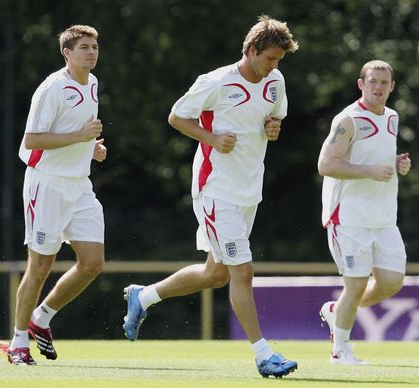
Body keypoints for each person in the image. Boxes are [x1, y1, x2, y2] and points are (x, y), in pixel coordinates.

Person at [123, 15, 298, 378]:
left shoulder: (275, 81)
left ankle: (145, 296)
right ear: (251, 50)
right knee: (243, 270)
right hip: (216, 190)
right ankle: (264, 355)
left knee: (216, 273)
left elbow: (273, 121)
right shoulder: (216, 82)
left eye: (279, 60)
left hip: (250, 190)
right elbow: (176, 117)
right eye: (270, 58)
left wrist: (272, 128)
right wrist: (212, 138)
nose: (274, 66)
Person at [7, 25, 106, 366]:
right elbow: (33, 140)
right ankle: (18, 343)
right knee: (40, 266)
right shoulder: (53, 87)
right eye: (83, 47)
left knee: (93, 263)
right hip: (46, 183)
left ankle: (42, 318)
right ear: (67, 52)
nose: (91, 52)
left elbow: (73, 135)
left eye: (94, 46)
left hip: (79, 185)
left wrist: (89, 148)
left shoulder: (91, 83)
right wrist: (80, 136)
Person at [317, 60, 412, 365]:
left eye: (384, 83)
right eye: (373, 81)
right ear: (361, 84)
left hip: (383, 217)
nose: (378, 87)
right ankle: (340, 350)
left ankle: (336, 311)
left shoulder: (392, 117)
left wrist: (397, 163)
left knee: (391, 282)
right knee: (356, 284)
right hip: (348, 217)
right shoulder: (348, 120)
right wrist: (369, 171)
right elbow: (326, 164)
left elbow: (375, 154)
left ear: (392, 87)